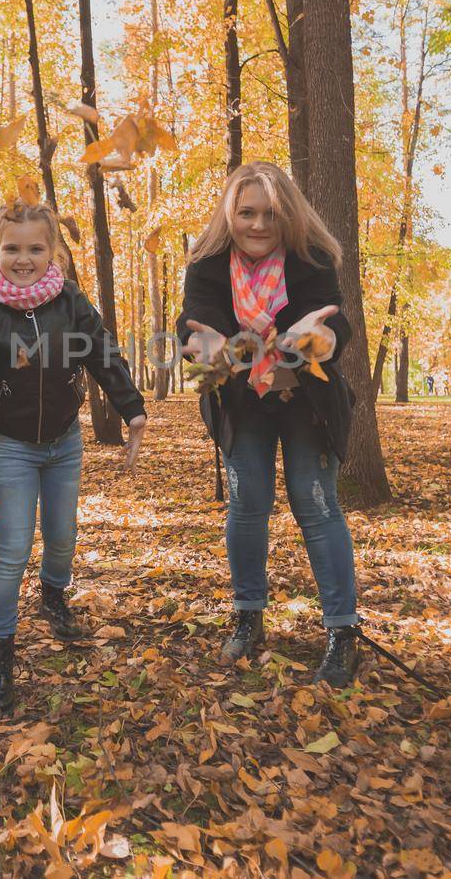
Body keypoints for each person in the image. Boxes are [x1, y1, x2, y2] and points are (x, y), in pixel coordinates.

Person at [0, 199, 147, 713]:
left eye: (35, 248)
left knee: (62, 535)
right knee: (12, 547)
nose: (23, 258)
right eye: (12, 247)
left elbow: (103, 351)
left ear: (52, 250)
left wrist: (132, 410)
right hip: (12, 445)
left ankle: (54, 595)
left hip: (64, 443)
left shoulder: (70, 301)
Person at [176, 161, 364, 688]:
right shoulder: (209, 261)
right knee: (248, 501)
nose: (258, 225)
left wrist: (320, 340)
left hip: (307, 397)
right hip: (244, 400)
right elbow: (195, 317)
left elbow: (333, 321)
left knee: (316, 502)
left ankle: (343, 633)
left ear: (289, 216)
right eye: (247, 213)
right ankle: (248, 616)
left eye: (270, 214)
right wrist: (206, 347)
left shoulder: (312, 257)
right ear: (229, 215)